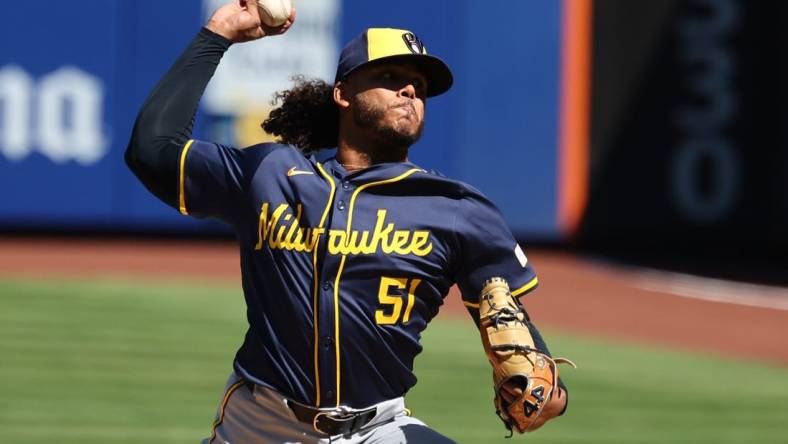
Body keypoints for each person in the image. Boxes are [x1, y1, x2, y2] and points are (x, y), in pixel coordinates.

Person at [125, 1, 569, 442]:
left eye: (418, 85)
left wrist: (550, 394)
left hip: (377, 429)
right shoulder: (272, 175)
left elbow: (513, 327)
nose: (410, 91)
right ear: (343, 94)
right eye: (391, 78)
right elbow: (152, 149)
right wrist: (218, 33)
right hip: (260, 426)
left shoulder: (456, 209)